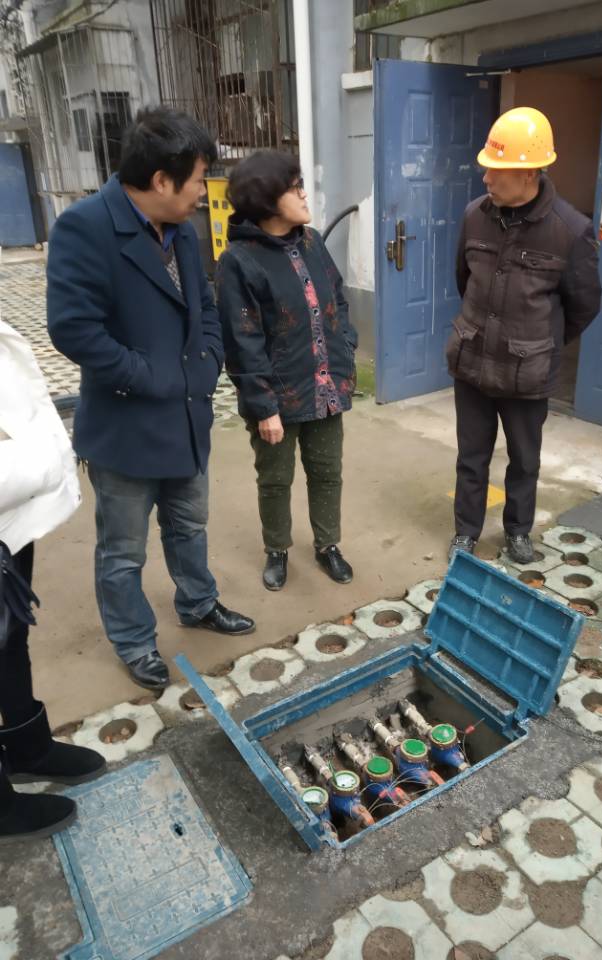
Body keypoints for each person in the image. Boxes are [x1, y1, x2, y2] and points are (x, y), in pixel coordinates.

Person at [47, 106, 255, 692]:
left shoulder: (180, 227)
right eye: (199, 180)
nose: (203, 194)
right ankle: (134, 640)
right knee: (123, 551)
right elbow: (73, 329)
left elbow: (204, 304)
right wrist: (149, 375)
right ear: (162, 180)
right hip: (127, 427)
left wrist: (209, 358)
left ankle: (198, 601)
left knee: (189, 526)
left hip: (187, 417)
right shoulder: (85, 227)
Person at [447, 107, 602, 565]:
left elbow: (584, 304)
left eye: (496, 171)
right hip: (473, 361)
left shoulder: (570, 231)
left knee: (525, 460)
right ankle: (466, 533)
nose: (486, 179)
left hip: (526, 372)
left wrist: (540, 344)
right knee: (471, 457)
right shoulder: (474, 216)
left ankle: (518, 532)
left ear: (529, 173)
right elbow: (463, 280)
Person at [217, 150, 358, 591]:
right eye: (294, 187)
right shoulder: (239, 260)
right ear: (266, 199)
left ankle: (327, 545)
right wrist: (263, 407)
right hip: (277, 396)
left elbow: (337, 297)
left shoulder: (312, 241)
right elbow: (241, 340)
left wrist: (346, 346)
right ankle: (276, 549)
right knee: (276, 480)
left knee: (327, 473)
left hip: (325, 387)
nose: (304, 194)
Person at [1, 314, 106, 843]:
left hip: (10, 514)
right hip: (13, 483)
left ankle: (26, 746)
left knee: (9, 636)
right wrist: (39, 464)